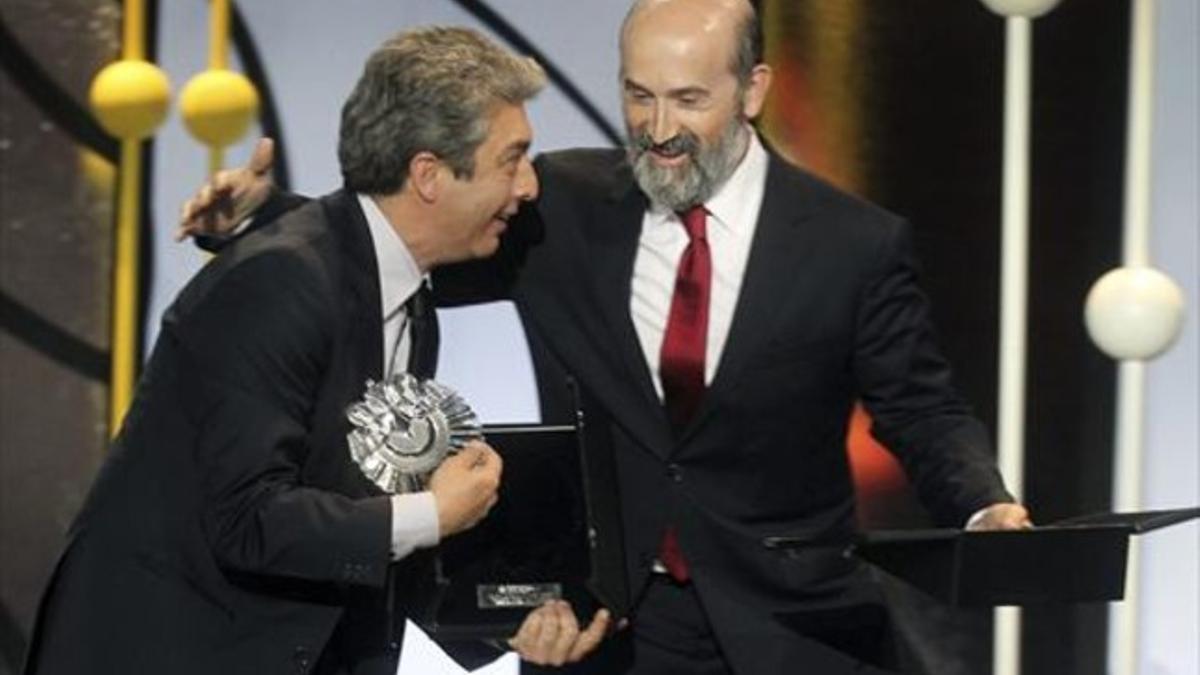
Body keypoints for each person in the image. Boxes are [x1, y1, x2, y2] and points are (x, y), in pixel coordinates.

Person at [180, 1, 1031, 672]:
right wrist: (263, 219)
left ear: (754, 90)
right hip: (601, 627)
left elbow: (921, 408)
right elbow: (411, 234)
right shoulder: (562, 204)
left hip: (791, 625)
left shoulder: (854, 244)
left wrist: (983, 502)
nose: (658, 126)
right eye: (638, 93)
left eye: (690, 98)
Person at [24, 26, 608, 675]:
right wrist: (431, 512)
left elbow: (352, 509)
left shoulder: (404, 296)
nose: (529, 187)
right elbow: (249, 518)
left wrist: (501, 625)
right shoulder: (277, 284)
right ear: (428, 174)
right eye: (512, 158)